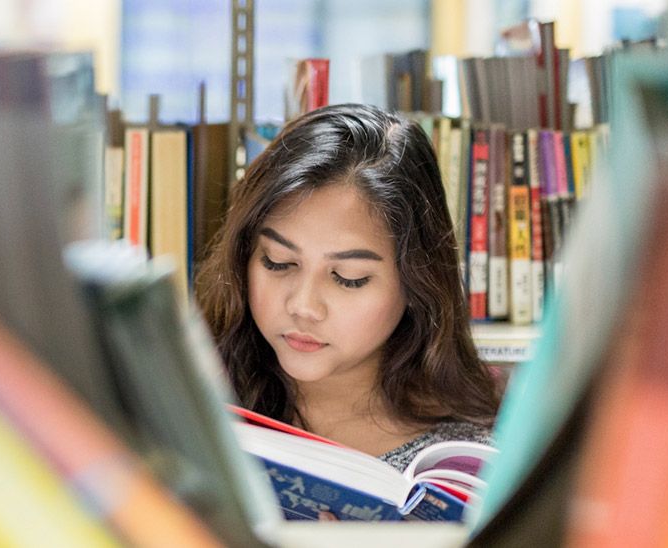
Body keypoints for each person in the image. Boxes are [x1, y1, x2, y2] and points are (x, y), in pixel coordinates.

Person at [197, 104, 501, 480]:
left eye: (348, 278)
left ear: (416, 282)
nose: (303, 306)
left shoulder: (468, 459)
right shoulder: (188, 402)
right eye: (278, 262)